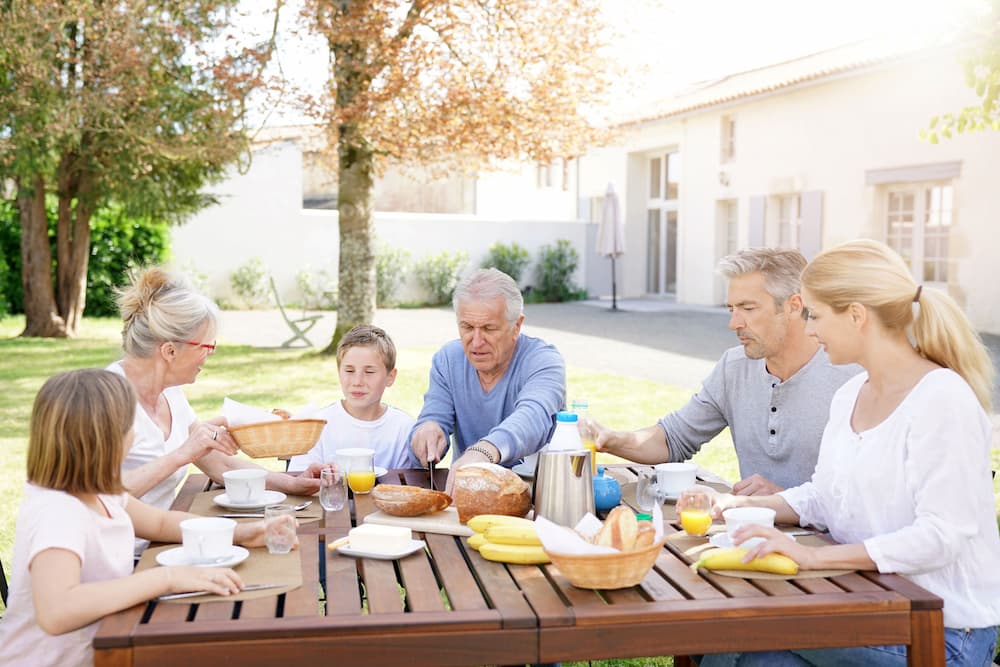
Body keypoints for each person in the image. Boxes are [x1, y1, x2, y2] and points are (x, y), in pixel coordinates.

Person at [685, 240, 1000, 666]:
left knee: (744, 628)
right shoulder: (852, 392)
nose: (810, 329)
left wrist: (813, 557)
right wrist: (744, 504)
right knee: (761, 659)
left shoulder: (942, 399)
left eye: (815, 315)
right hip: (867, 602)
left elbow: (942, 536)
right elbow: (824, 495)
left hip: (942, 630)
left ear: (856, 315)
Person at [0, 369, 281, 667]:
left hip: (107, 646)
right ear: (105, 438)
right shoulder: (59, 512)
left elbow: (159, 523)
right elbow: (57, 611)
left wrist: (242, 533)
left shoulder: (98, 490)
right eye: (129, 426)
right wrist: (167, 578)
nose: (134, 435)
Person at [593, 248, 859, 494]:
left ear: (794, 305)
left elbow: (868, 499)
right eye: (731, 309)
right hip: (752, 535)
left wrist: (785, 500)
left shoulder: (851, 378)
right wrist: (611, 438)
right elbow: (673, 438)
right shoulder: (734, 368)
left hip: (829, 543)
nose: (734, 323)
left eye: (748, 308)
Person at [111, 266, 321, 553]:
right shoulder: (108, 399)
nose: (211, 353)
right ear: (170, 351)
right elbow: (100, 497)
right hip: (117, 557)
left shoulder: (170, 393)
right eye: (206, 345)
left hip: (160, 545)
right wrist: (182, 453)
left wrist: (291, 483)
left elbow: (218, 463)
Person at [409, 268, 566, 491]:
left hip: (538, 495)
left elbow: (533, 417)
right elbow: (435, 415)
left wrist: (483, 451)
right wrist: (427, 431)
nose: (476, 341)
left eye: (489, 328)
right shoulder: (448, 359)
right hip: (468, 494)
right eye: (467, 327)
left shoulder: (543, 360)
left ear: (517, 326)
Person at [287, 324, 417, 472]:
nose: (357, 381)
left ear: (390, 377)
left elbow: (408, 485)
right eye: (349, 370)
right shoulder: (317, 426)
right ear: (339, 372)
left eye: (369, 372)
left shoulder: (403, 428)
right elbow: (298, 481)